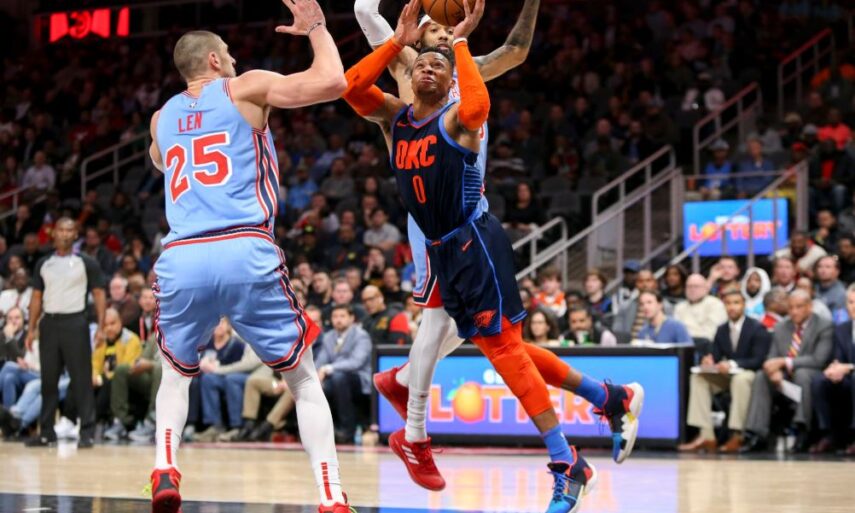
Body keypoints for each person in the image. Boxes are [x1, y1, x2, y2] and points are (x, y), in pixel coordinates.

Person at [343, 2, 642, 509]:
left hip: (472, 238)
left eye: (438, 62)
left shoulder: (460, 110)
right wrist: (395, 41)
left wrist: (461, 43)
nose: (429, 65)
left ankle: (563, 461)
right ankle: (608, 397)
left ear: (451, 76)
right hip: (439, 245)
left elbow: (482, 98)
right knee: (500, 347)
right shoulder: (395, 115)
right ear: (408, 72)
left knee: (500, 348)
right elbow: (352, 87)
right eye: (421, 61)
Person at [145, 1, 353, 510]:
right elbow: (333, 81)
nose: (236, 60)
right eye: (229, 54)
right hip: (243, 244)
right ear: (214, 61)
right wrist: (317, 28)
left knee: (174, 373)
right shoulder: (245, 87)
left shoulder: (160, 118)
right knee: (302, 378)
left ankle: (165, 467)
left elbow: (164, 163)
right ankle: (331, 497)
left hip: (183, 253)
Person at [26, 218, 106, 448]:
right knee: (48, 381)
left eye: (69, 230)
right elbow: (36, 298)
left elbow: (99, 294)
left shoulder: (86, 262)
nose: (64, 234)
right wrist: (31, 329)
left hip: (75, 322)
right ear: (54, 233)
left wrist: (101, 327)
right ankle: (46, 432)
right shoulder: (43, 263)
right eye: (60, 229)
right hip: (49, 323)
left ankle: (87, 431)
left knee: (81, 379)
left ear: (75, 234)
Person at [741, 290, 833, 454]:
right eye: (790, 307)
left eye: (799, 307)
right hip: (785, 377)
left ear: (809, 307)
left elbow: (819, 360)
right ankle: (757, 433)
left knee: (802, 374)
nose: (794, 311)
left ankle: (802, 429)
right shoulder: (781, 326)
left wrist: (784, 362)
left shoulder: (824, 325)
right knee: (762, 377)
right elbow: (772, 357)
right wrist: (772, 370)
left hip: (811, 375)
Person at [679, 291, 771, 453]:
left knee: (741, 379)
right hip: (728, 374)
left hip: (751, 374)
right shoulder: (721, 329)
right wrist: (709, 362)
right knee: (698, 377)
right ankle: (706, 435)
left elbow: (759, 360)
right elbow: (715, 355)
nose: (732, 307)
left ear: (744, 305)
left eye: (736, 303)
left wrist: (733, 363)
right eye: (728, 303)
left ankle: (737, 433)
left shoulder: (757, 328)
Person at [314, 305, 372, 444]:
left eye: (342, 316)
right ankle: (322, 431)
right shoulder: (328, 336)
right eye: (335, 316)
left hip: (359, 377)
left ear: (351, 318)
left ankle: (347, 430)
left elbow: (356, 362)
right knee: (320, 385)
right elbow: (321, 360)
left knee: (339, 378)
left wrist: (328, 368)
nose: (338, 320)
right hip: (335, 378)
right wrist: (316, 374)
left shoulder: (361, 336)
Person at [810, 284, 855, 455]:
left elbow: (846, 365)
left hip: (851, 374)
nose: (853, 307)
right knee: (819, 380)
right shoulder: (842, 328)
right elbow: (837, 357)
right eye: (850, 302)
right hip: (846, 377)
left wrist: (848, 367)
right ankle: (828, 434)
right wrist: (834, 369)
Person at [95, 308, 143, 440]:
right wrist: (94, 376)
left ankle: (97, 421)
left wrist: (103, 377)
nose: (109, 328)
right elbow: (94, 363)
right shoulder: (101, 341)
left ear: (120, 322)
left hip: (127, 382)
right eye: (105, 325)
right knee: (80, 381)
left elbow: (126, 368)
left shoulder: (131, 339)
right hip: (104, 379)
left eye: (113, 323)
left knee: (108, 383)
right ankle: (71, 420)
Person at [674, 274, 728, 343]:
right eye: (689, 286)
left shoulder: (716, 304)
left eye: (696, 286)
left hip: (708, 345)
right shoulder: (679, 307)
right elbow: (676, 332)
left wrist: (687, 335)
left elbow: (711, 333)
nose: (692, 289)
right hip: (684, 345)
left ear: (705, 288)